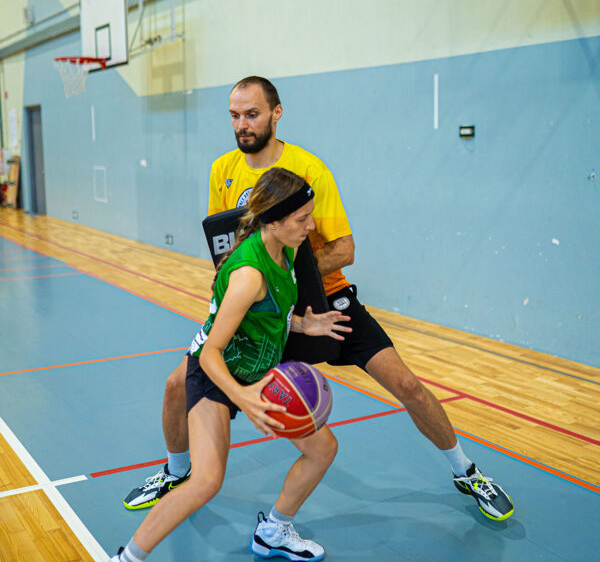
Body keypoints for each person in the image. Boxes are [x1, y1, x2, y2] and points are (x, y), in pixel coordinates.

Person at [124, 76, 514, 523]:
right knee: (178, 384)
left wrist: (288, 276)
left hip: (326, 300)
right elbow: (226, 253)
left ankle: (466, 471)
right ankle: (177, 471)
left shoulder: (310, 169)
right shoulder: (222, 170)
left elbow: (344, 249)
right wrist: (256, 286)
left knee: (407, 385)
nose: (242, 124)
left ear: (276, 113)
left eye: (252, 114)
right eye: (234, 115)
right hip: (267, 310)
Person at [111, 168, 351, 562]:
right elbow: (209, 353)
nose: (311, 226)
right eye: (302, 218)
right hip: (215, 374)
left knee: (323, 449)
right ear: (273, 220)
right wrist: (244, 397)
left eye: (311, 214)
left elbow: (268, 313)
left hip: (257, 373)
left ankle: (273, 531)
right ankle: (127, 558)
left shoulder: (285, 247)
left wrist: (303, 324)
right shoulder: (247, 274)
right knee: (206, 481)